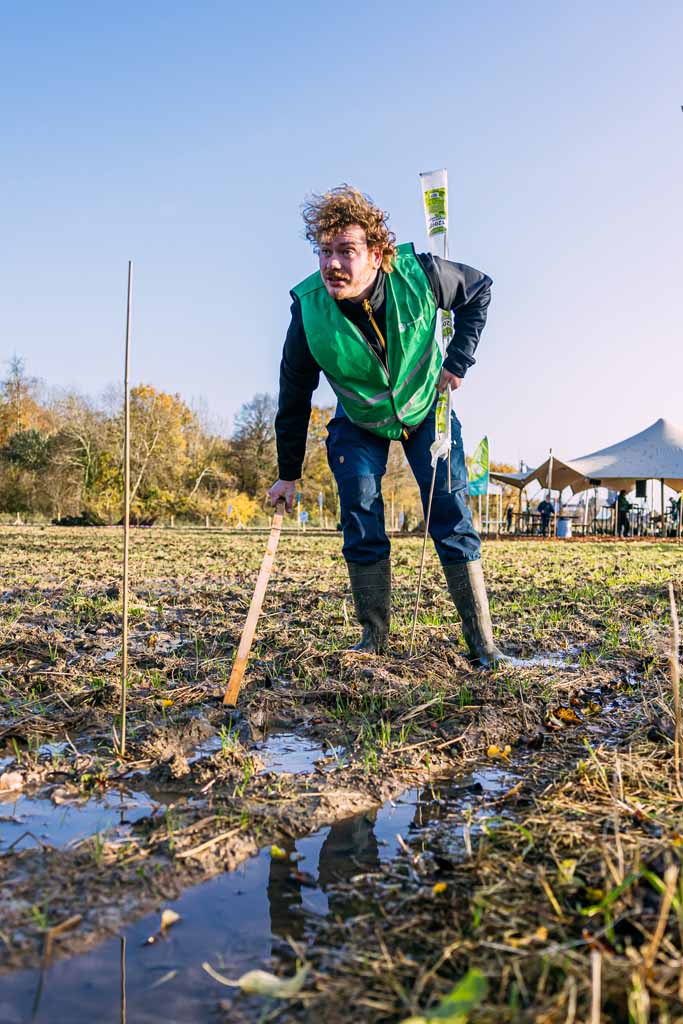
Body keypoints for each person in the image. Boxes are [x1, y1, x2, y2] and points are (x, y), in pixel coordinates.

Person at [268, 185, 506, 668]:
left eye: (347, 252)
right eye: (325, 251)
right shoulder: (309, 310)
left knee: (450, 513)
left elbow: (479, 290)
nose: (333, 264)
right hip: (359, 420)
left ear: (376, 255)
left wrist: (457, 360)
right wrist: (288, 473)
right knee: (360, 508)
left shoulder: (420, 275)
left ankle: (483, 644)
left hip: (426, 411)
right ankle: (373, 637)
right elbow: (293, 396)